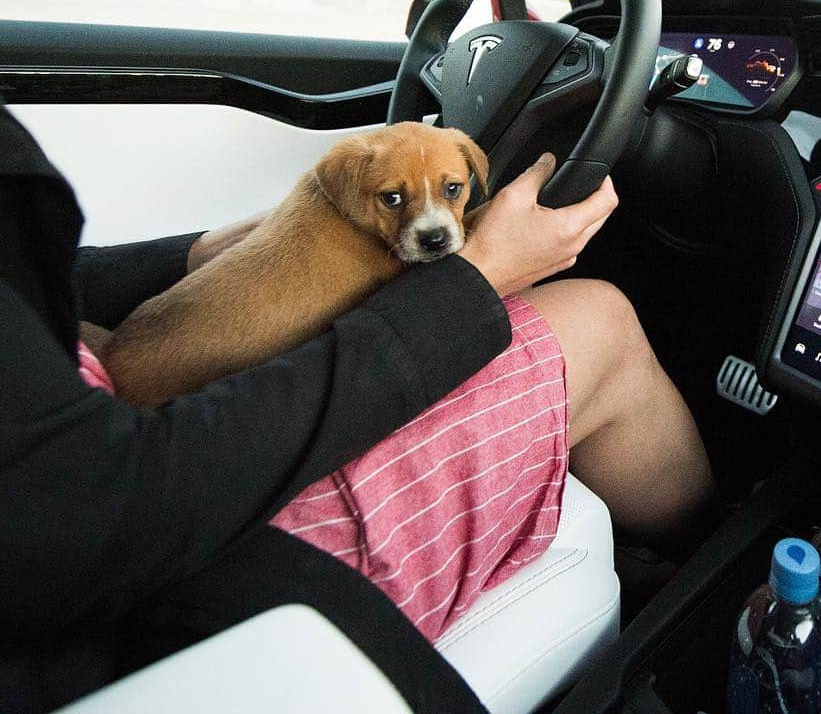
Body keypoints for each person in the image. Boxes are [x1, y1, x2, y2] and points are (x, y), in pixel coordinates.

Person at [0, 104, 714, 712]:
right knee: (603, 315)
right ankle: (713, 547)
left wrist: (200, 256)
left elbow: (25, 281)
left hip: (108, 440)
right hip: (174, 562)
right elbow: (105, 502)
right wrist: (476, 283)